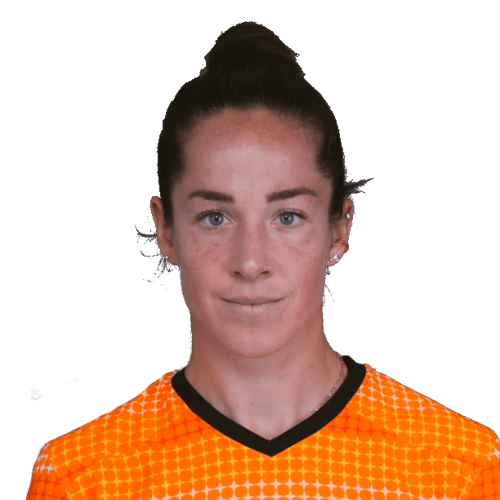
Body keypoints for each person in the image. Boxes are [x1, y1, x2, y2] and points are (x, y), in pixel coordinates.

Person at [27, 22, 498, 500]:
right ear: (166, 229)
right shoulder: (81, 479)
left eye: (288, 217)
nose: (250, 263)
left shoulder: (461, 470)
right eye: (214, 218)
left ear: (339, 228)